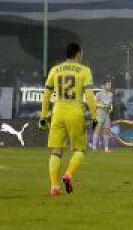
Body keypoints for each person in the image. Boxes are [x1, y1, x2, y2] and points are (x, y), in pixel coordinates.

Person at [39, 42, 98, 196]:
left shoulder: (55, 70)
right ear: (78, 54)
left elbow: (46, 95)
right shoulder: (84, 70)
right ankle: (68, 175)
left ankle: (54, 187)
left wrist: (43, 116)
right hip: (75, 112)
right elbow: (90, 96)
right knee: (80, 149)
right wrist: (94, 116)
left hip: (57, 112)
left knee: (56, 151)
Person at [91, 81, 114, 153]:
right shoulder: (98, 94)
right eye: (108, 85)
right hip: (99, 114)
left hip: (106, 114)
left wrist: (109, 107)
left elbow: (110, 104)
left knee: (106, 130)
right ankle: (94, 148)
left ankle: (106, 149)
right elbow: (94, 103)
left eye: (110, 85)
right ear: (104, 86)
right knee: (97, 129)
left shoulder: (111, 94)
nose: (109, 86)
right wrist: (101, 105)